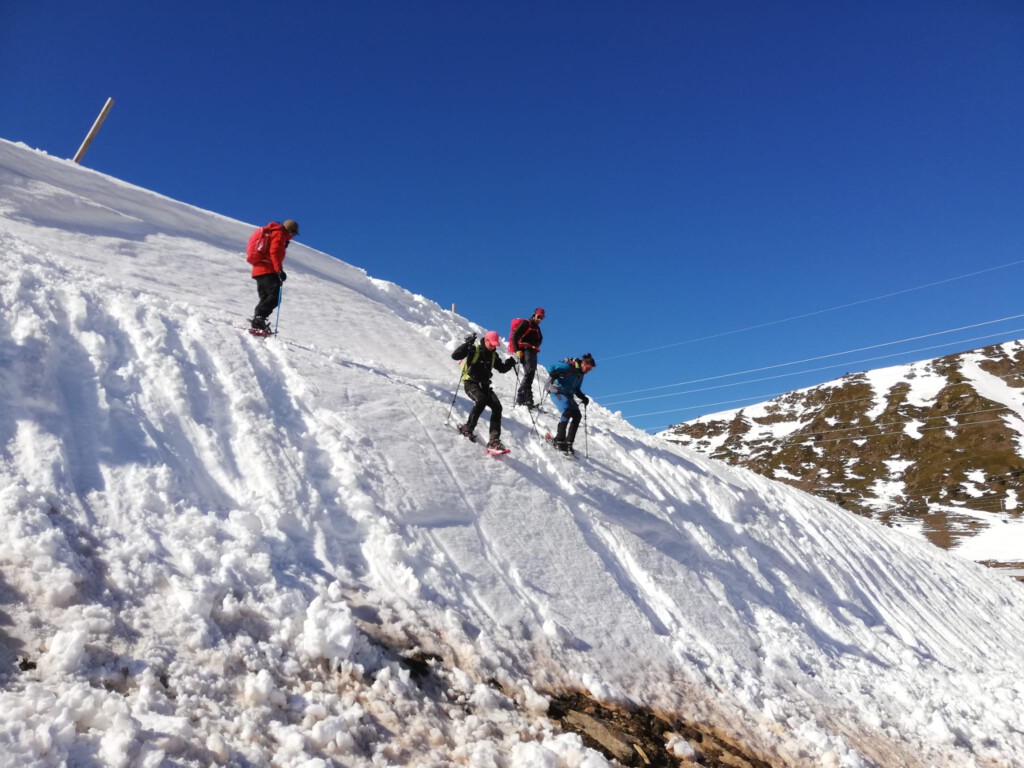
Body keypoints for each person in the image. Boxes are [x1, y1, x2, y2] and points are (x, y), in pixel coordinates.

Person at [452, 330, 517, 451]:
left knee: (497, 408)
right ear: (486, 340)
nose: (493, 347)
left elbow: (501, 368)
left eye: (495, 345)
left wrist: (510, 363)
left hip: (485, 385)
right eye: (491, 344)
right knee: (480, 400)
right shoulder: (474, 349)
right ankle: (468, 428)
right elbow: (455, 356)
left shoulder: (493, 355)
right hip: (471, 383)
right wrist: (467, 344)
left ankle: (494, 441)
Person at [250, 219, 299, 333]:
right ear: (289, 230)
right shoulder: (279, 234)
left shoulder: (276, 234)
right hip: (267, 269)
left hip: (259, 270)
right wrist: (279, 270)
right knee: (275, 296)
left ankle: (258, 320)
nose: (293, 236)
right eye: (294, 233)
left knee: (266, 297)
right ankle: (259, 318)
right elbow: (274, 252)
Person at [546, 353, 596, 455]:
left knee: (577, 415)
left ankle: (569, 443)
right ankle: (559, 440)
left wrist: (583, 397)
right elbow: (550, 366)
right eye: (588, 368)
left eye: (590, 369)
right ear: (583, 363)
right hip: (557, 391)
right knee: (567, 411)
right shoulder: (568, 366)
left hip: (568, 395)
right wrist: (552, 373)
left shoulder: (580, 375)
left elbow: (576, 389)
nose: (588, 371)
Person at [511, 308, 545, 407]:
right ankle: (521, 397)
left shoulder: (537, 328)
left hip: (532, 352)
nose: (540, 319)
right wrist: (517, 350)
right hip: (525, 350)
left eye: (541, 318)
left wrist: (535, 347)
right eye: (539, 317)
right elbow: (515, 335)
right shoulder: (526, 323)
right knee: (529, 372)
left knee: (531, 373)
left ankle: (528, 398)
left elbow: (540, 339)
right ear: (534, 315)